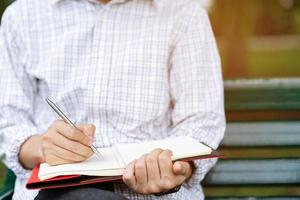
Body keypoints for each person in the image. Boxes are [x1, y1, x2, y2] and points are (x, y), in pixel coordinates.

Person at [0, 0, 225, 199]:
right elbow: (8, 121)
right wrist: (42, 146)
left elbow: (202, 121)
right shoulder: (22, 17)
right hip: (53, 191)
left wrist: (175, 168)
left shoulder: (185, 15)